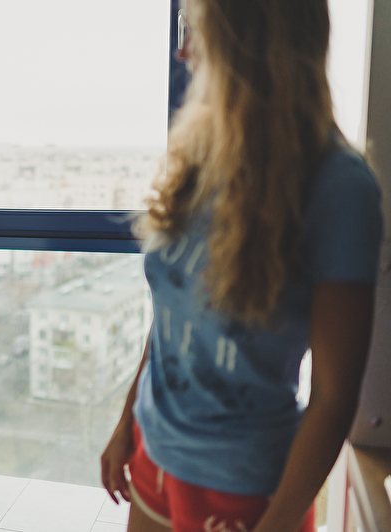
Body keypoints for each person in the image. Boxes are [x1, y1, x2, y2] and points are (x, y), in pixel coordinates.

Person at [100, 1, 384, 531]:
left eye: (198, 31)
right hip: (154, 449)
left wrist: (277, 523)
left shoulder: (338, 187)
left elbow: (333, 396)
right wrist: (125, 424)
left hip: (243, 487)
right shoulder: (200, 155)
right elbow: (172, 318)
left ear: (250, 43)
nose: (183, 51)